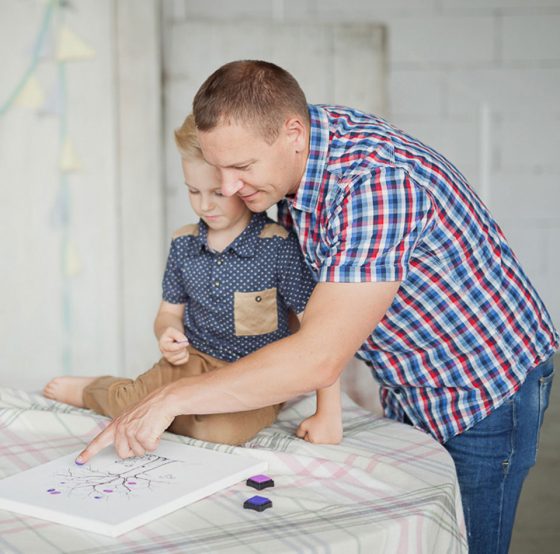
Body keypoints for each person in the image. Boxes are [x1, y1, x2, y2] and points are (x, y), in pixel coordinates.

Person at [76, 61, 558, 553]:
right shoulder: (290, 154)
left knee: (464, 543)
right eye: (217, 169)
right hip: (405, 373)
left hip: (484, 382)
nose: (226, 188)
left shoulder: (378, 184)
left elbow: (318, 355)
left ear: (293, 133)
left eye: (241, 168)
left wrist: (173, 399)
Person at [44, 113, 342, 446]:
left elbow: (320, 336)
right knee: (130, 403)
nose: (204, 205)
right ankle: (92, 389)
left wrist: (327, 413)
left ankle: (176, 410)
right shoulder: (184, 244)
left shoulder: (276, 246)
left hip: (252, 375)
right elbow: (169, 311)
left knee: (217, 433)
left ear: (239, 184)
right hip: (191, 362)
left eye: (217, 192)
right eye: (193, 191)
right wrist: (166, 332)